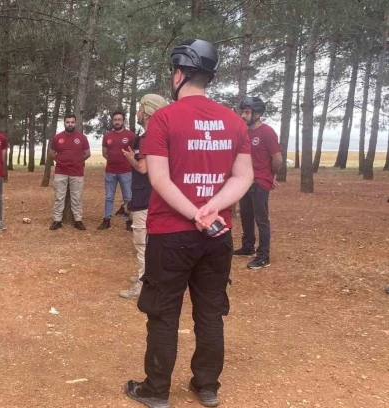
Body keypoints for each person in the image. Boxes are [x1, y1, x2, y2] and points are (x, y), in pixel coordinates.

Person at [124, 39, 253, 408]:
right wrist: (210, 208)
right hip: (217, 235)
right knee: (210, 311)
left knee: (163, 312)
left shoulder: (163, 118)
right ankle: (207, 385)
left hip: (170, 234)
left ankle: (156, 390)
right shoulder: (233, 120)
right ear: (208, 77)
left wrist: (195, 212)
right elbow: (243, 178)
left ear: (179, 75)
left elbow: (160, 180)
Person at [119, 94, 169, 300]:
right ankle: (147, 276)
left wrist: (130, 158)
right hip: (151, 196)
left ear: (148, 112)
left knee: (142, 242)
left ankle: (143, 284)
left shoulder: (149, 138)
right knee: (150, 241)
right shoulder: (156, 136)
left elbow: (142, 168)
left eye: (140, 109)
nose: (137, 113)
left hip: (145, 197)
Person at [234, 97, 282, 269]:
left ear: (258, 113)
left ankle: (263, 256)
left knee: (261, 219)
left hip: (260, 182)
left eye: (247, 112)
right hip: (245, 181)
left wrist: (271, 175)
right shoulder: (245, 132)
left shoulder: (267, 132)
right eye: (243, 112)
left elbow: (277, 158)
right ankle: (248, 247)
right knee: (246, 215)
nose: (243, 116)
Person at [49, 114, 90, 231]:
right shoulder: (57, 138)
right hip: (61, 172)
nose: (70, 124)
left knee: (76, 197)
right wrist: (60, 161)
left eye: (72, 122)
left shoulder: (82, 138)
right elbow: (52, 153)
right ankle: (57, 221)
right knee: (59, 197)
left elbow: (87, 154)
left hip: (76, 172)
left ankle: (78, 220)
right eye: (68, 122)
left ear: (75, 123)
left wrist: (77, 161)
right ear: (64, 123)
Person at [97, 111, 135, 231]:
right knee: (109, 197)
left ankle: (129, 221)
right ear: (112, 121)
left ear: (123, 121)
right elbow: (104, 152)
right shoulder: (107, 136)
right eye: (115, 120)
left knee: (128, 197)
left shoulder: (130, 135)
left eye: (119, 119)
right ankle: (106, 220)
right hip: (110, 172)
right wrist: (114, 160)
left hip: (126, 172)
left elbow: (134, 152)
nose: (117, 122)